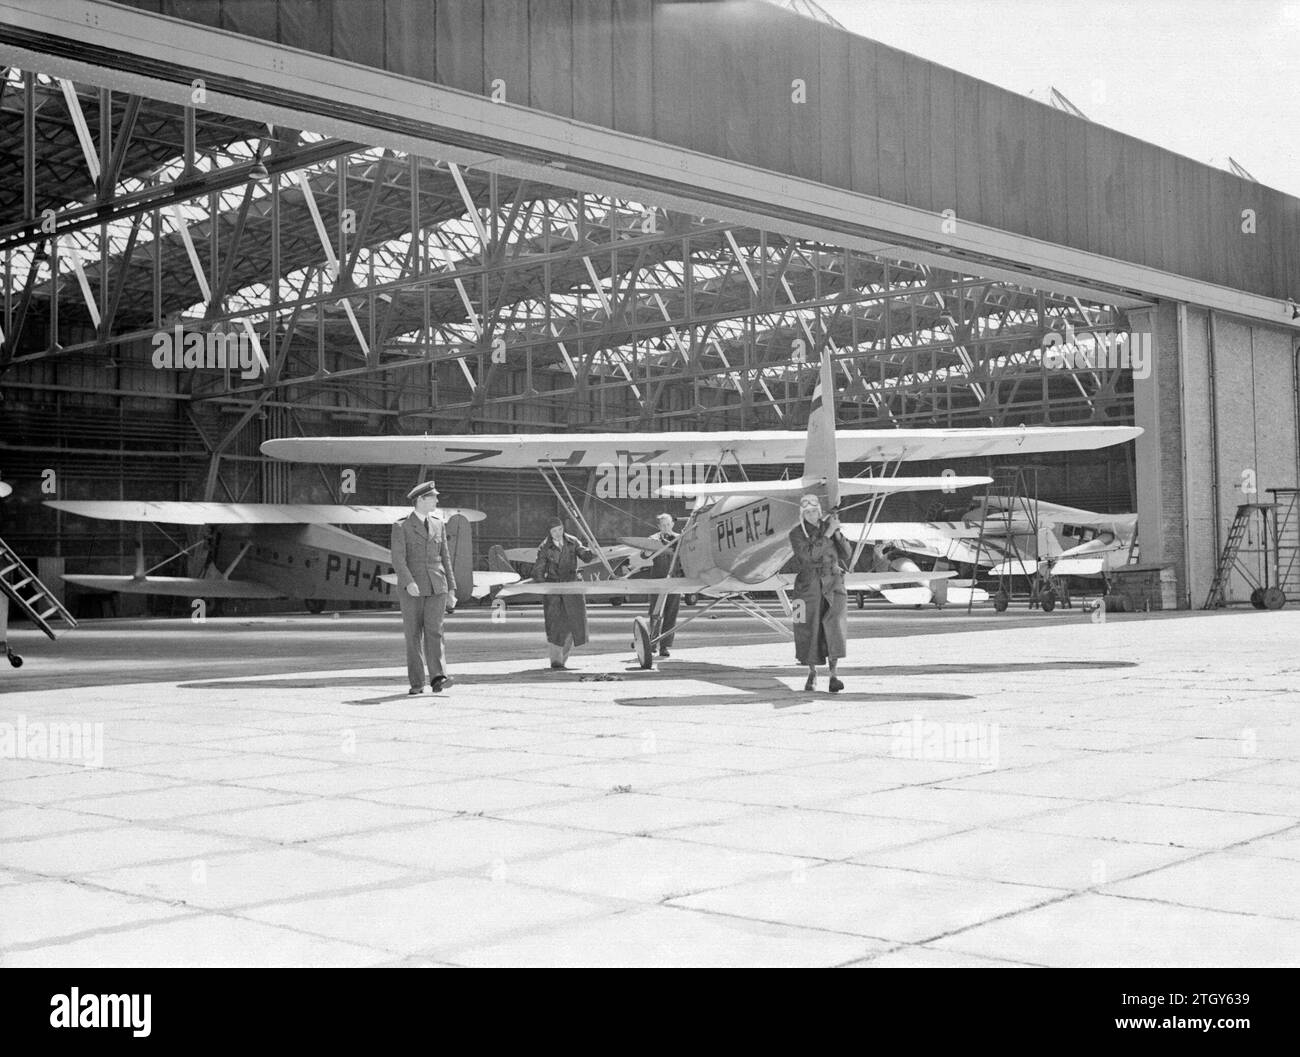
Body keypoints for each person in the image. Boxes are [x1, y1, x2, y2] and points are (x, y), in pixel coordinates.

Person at [390, 480, 457, 695]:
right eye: (433, 497)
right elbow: (398, 560)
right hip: (413, 588)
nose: (437, 500)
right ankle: (417, 683)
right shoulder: (401, 526)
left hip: (438, 585)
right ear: (420, 499)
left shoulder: (438, 524)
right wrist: (409, 582)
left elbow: (445, 557)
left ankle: (438, 678)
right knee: (413, 636)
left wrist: (452, 589)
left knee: (435, 632)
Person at [788, 493, 851, 692]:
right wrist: (828, 534)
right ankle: (812, 673)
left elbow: (847, 553)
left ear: (819, 511)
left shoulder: (829, 528)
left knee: (835, 628)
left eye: (814, 511)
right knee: (808, 629)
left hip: (833, 582)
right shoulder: (796, 533)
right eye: (807, 512)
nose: (811, 515)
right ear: (802, 514)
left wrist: (837, 532)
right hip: (808, 586)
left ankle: (834, 676)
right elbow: (808, 556)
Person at [532, 516, 594, 669]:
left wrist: (589, 552)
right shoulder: (545, 547)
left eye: (560, 529)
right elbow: (539, 568)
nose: (558, 533)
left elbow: (584, 555)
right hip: (554, 590)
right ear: (549, 532)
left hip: (572, 587)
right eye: (554, 531)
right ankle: (556, 661)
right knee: (555, 626)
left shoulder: (572, 541)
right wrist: (541, 584)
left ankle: (562, 660)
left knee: (573, 624)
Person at [642, 512, 681, 657]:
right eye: (663, 525)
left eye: (668, 524)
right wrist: (648, 548)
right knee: (656, 612)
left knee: (671, 614)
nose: (666, 527)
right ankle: (652, 642)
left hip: (675, 581)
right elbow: (644, 555)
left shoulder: (680, 538)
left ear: (672, 524)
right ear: (658, 526)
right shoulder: (653, 539)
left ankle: (665, 646)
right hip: (658, 580)